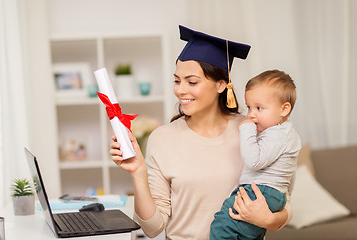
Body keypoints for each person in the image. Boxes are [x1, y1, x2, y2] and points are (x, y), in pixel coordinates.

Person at [110, 25, 292, 240]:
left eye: (192, 82)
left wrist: (268, 220)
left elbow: (284, 203)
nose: (180, 90)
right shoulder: (162, 139)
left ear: (221, 85)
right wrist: (138, 172)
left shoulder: (254, 131)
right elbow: (152, 229)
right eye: (177, 80)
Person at [210, 70, 301, 240]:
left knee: (222, 224)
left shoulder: (277, 134)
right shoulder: (286, 133)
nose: (251, 114)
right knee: (248, 234)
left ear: (284, 109)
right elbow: (290, 175)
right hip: (273, 193)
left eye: (259, 108)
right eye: (249, 107)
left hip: (261, 191)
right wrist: (283, 194)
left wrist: (247, 129)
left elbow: (253, 161)